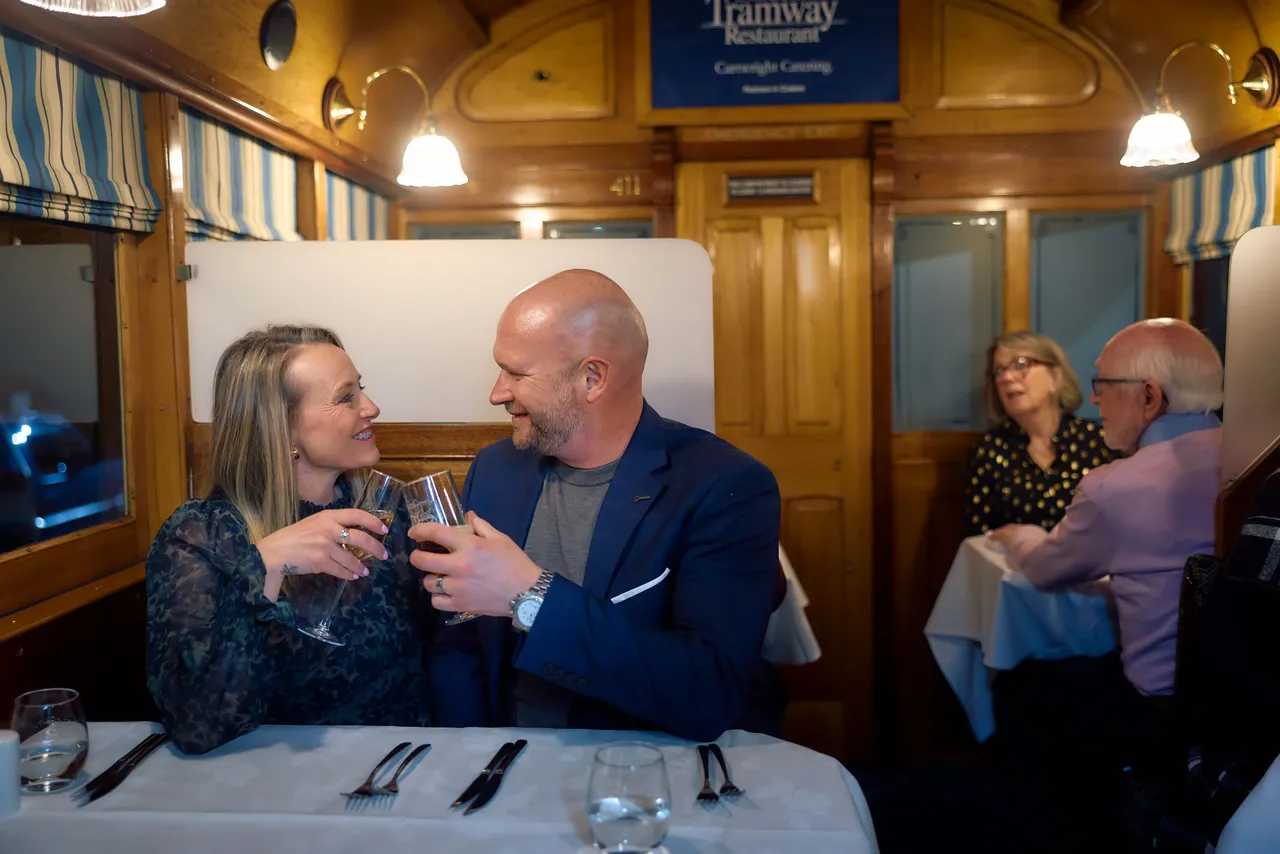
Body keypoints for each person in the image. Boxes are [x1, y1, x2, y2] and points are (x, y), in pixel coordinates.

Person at [415, 269, 781, 742]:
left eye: (517, 373)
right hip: (501, 767)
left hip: (639, 770)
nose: (496, 392)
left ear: (592, 377)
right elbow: (459, 641)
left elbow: (707, 689)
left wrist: (532, 596)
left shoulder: (723, 485)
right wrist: (467, 753)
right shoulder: (497, 469)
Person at [988, 318, 1224, 851]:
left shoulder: (1116, 487)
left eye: (1103, 386)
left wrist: (1025, 537)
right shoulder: (1255, 462)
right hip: (1246, 708)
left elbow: (1047, 570)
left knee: (1021, 685)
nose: (1094, 403)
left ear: (1148, 397)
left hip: (1165, 713)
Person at [146, 325, 432, 754]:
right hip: (273, 784)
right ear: (280, 429)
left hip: (397, 768)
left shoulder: (389, 511)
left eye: (362, 390)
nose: (371, 408)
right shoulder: (203, 535)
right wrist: (262, 567)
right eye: (345, 397)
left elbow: (441, 658)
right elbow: (196, 724)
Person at [965, 330, 1116, 537]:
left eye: (1020, 364)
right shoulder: (989, 450)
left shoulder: (1097, 441)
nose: (1007, 377)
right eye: (999, 371)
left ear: (1055, 376)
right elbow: (977, 538)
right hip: (1015, 567)